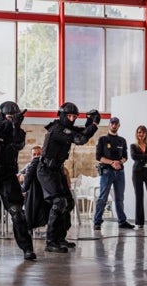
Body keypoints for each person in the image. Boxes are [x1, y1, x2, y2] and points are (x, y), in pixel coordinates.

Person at [0, 101, 36, 260]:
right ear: (2, 116)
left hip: (8, 175)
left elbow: (18, 144)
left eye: (14, 117)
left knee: (17, 212)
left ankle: (27, 249)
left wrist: (16, 127)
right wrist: (10, 124)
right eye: (10, 117)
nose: (12, 120)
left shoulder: (18, 132)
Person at [37, 103, 100, 253]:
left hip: (57, 170)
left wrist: (91, 122)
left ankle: (60, 238)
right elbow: (80, 139)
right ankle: (51, 241)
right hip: (46, 170)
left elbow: (83, 132)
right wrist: (95, 125)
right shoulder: (57, 129)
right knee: (59, 202)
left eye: (74, 116)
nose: (71, 119)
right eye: (69, 116)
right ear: (62, 115)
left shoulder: (67, 129)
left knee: (68, 202)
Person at [93, 117, 135, 231]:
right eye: (112, 123)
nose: (114, 125)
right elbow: (98, 157)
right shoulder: (102, 139)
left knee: (119, 198)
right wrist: (112, 162)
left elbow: (125, 157)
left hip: (120, 172)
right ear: (109, 125)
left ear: (119, 126)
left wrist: (119, 162)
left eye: (116, 124)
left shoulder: (122, 140)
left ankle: (122, 221)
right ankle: (97, 222)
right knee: (102, 198)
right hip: (107, 172)